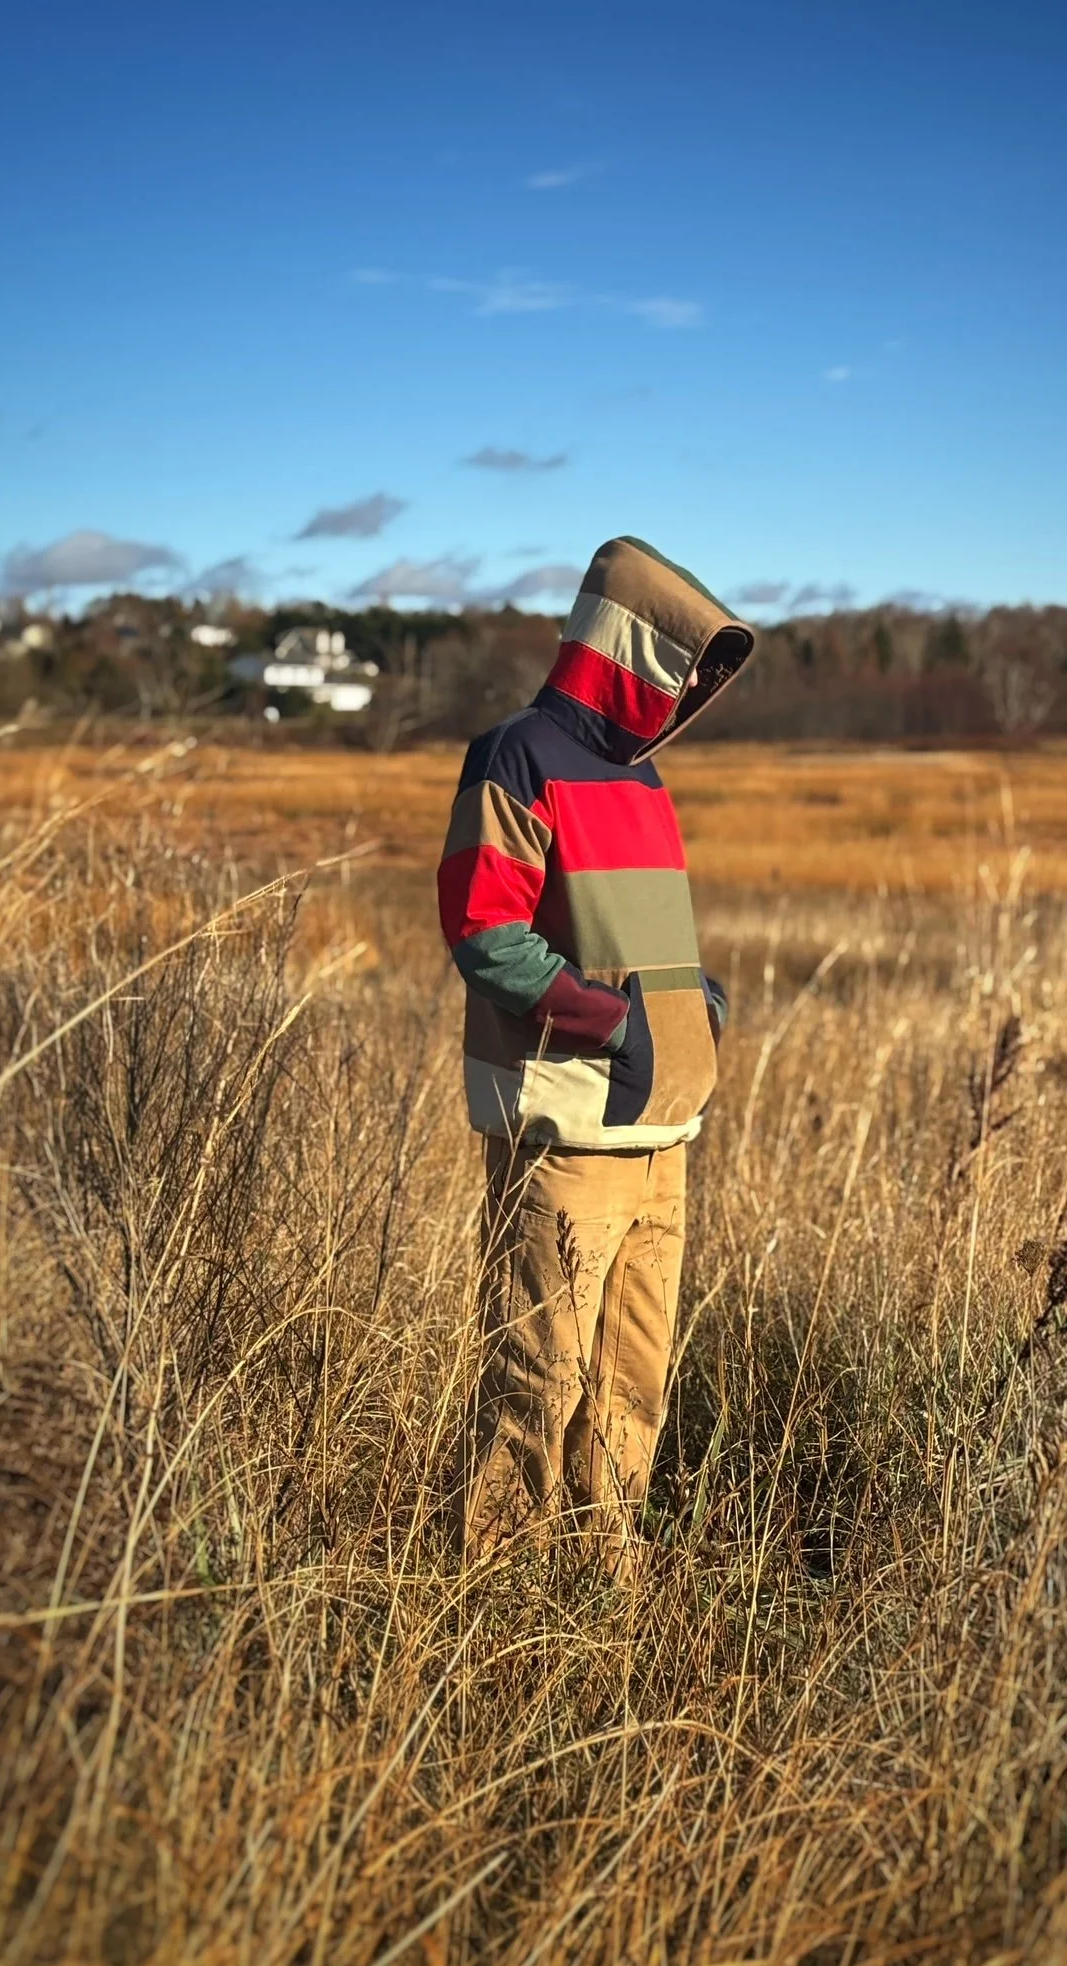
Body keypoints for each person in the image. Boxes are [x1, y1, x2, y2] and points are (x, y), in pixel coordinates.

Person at [437, 535, 756, 1578]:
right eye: (688, 663)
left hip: (667, 1136)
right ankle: (494, 1597)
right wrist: (622, 1027)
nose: (696, 690)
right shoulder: (516, 755)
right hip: (566, 1132)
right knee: (538, 1378)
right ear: (633, 651)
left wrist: (692, 1004)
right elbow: (486, 933)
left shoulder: (647, 778)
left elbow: (642, 943)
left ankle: (602, 1584)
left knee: (633, 1386)